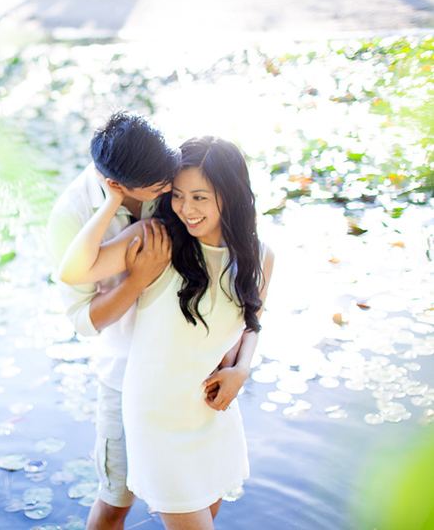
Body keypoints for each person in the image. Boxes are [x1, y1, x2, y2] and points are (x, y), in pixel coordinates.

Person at [58, 136, 275, 530]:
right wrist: (111, 202)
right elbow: (72, 271)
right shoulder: (158, 239)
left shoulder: (260, 255)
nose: (186, 209)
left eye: (200, 198)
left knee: (209, 513)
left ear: (230, 195)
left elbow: (252, 322)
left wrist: (242, 369)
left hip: (210, 407)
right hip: (156, 415)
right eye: (177, 195)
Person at [47, 111, 179, 530]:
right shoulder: (70, 217)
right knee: (115, 499)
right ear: (118, 185)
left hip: (185, 365)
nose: (171, 186)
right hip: (123, 373)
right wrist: (136, 280)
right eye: (160, 187)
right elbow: (83, 321)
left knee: (196, 492)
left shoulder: (170, 172)